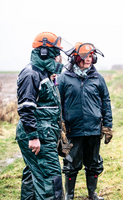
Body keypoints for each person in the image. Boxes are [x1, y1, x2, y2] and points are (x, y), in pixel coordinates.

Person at [16, 32, 75, 200]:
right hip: (38, 135)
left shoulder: (44, 74)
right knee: (51, 179)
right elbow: (26, 107)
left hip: (45, 133)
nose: (58, 56)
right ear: (44, 51)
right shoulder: (31, 73)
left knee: (33, 177)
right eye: (55, 52)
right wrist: (33, 137)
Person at [57, 42, 113, 200]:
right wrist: (60, 125)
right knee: (70, 165)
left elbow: (106, 102)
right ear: (75, 58)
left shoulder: (97, 78)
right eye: (85, 56)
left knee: (93, 163)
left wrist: (107, 125)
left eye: (90, 56)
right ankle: (69, 195)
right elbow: (58, 102)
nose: (88, 59)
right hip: (72, 130)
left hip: (93, 128)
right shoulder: (64, 77)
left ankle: (92, 193)